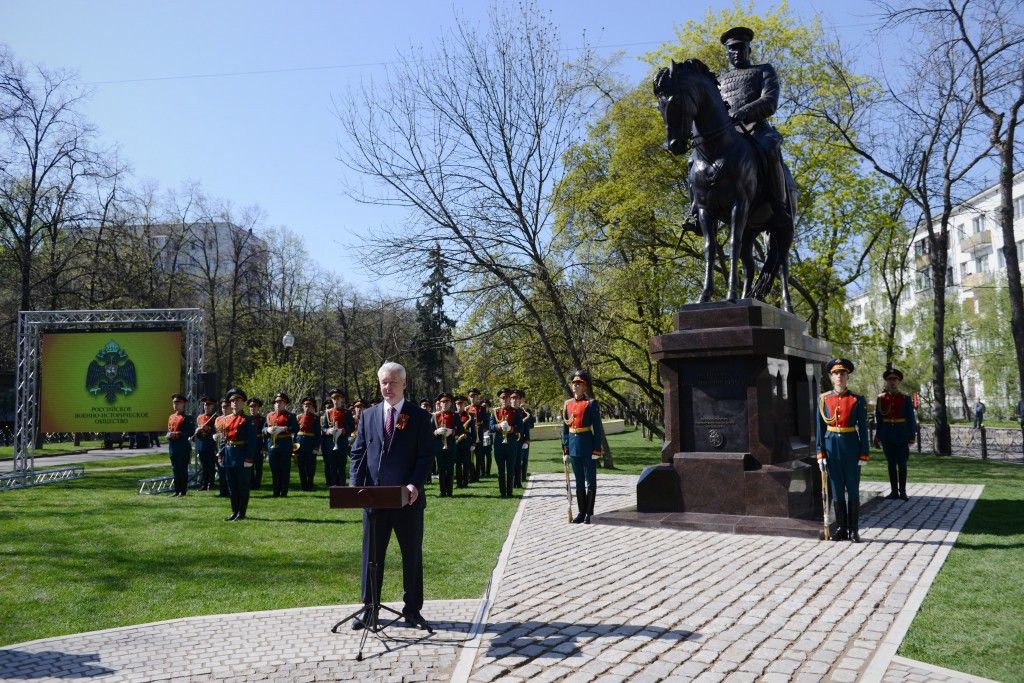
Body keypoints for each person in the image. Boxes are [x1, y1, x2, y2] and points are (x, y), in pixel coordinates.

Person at [349, 361, 433, 630]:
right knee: (371, 557)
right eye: (383, 382)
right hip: (374, 501)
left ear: (404, 384)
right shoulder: (369, 415)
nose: (387, 387)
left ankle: (412, 610)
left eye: (393, 382)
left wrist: (414, 485)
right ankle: (370, 609)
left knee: (411, 556)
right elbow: (358, 453)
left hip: (407, 501)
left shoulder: (418, 417)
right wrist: (355, 486)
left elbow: (425, 457)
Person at [718, 26, 789, 218]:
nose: (737, 52)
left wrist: (744, 111)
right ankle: (695, 212)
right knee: (696, 160)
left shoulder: (763, 70)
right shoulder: (719, 81)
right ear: (727, 53)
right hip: (727, 134)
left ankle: (779, 205)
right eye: (732, 48)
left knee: (770, 147)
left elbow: (770, 101)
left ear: (749, 49)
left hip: (755, 128)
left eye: (741, 47)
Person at [816, 358, 870, 543]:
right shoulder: (824, 399)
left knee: (853, 490)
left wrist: (864, 453)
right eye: (836, 373)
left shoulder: (856, 399)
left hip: (851, 450)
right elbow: (820, 429)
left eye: (843, 373)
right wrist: (820, 453)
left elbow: (863, 429)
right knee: (837, 490)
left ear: (847, 377)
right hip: (831, 451)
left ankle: (854, 530)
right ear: (831, 377)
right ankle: (841, 528)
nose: (839, 377)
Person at [562, 370, 604, 524]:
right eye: (574, 383)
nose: (575, 385)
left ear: (585, 386)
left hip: (587, 445)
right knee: (578, 481)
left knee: (590, 481)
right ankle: (581, 512)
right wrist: (565, 449)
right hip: (573, 448)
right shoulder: (568, 404)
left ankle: (589, 513)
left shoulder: (591, 403)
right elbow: (565, 429)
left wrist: (597, 449)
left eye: (578, 383)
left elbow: (597, 429)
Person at [874, 368, 917, 501]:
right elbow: (879, 419)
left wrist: (912, 435)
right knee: (891, 464)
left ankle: (902, 492)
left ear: (899, 382)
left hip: (901, 434)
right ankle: (894, 492)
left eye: (895, 380)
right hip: (887, 434)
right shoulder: (881, 399)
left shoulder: (905, 398)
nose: (892, 382)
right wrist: (878, 435)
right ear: (887, 382)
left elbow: (911, 418)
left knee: (902, 464)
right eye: (890, 380)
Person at [218, 387, 256, 521]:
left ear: (243, 402)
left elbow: (252, 441)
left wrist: (249, 457)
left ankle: (241, 512)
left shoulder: (248, 419)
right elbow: (224, 439)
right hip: (229, 453)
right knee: (232, 485)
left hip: (241, 454)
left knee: (242, 485)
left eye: (238, 400)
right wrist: (220, 454)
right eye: (232, 400)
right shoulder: (226, 419)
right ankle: (234, 511)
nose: (235, 403)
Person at [264, 392, 299, 497]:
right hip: (272, 444)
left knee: (284, 469)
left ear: (285, 404)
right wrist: (267, 430)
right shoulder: (270, 415)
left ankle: (284, 492)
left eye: (281, 402)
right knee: (274, 469)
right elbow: (263, 429)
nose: (278, 404)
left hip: (285, 444)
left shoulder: (290, 416)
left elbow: (296, 428)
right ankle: (275, 491)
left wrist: (284, 428)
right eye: (276, 402)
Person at [432, 392, 462, 497]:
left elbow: (461, 430)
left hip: (451, 446)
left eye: (447, 401)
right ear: (439, 404)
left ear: (450, 403)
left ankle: (449, 491)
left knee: (450, 469)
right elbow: (428, 432)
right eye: (442, 402)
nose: (445, 404)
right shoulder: (435, 416)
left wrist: (452, 431)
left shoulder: (455, 415)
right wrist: (436, 432)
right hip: (439, 446)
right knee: (440, 469)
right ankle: (442, 491)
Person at [325, 388, 356, 487]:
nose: (336, 400)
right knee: (331, 466)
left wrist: (344, 430)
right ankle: (333, 486)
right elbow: (323, 427)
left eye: (338, 398)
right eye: (334, 398)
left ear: (342, 399)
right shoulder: (328, 412)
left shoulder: (347, 412)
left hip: (342, 442)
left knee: (341, 466)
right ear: (331, 399)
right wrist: (327, 430)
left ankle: (342, 485)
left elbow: (351, 426)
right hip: (330, 442)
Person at [166, 393, 195, 497]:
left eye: (178, 403)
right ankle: (176, 490)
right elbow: (169, 429)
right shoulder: (171, 417)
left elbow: (191, 432)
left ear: (183, 404)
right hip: (173, 447)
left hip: (183, 447)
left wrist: (178, 434)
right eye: (174, 403)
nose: (175, 405)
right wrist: (168, 434)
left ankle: (183, 491)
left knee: (183, 469)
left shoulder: (188, 417)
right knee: (175, 469)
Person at [295, 397, 322, 491]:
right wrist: (294, 446)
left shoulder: (315, 418)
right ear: (303, 406)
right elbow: (295, 432)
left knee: (310, 466)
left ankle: (310, 484)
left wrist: (316, 447)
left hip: (311, 444)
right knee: (301, 465)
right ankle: (303, 485)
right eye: (305, 405)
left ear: (312, 407)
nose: (307, 407)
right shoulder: (298, 417)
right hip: (299, 444)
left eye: (309, 405)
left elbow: (318, 434)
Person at [193, 396, 218, 491]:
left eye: (209, 405)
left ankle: (211, 483)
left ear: (212, 406)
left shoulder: (216, 417)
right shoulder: (200, 417)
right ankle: (204, 484)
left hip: (211, 444)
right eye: (205, 405)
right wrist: (197, 430)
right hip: (201, 444)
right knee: (203, 465)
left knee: (211, 465)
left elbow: (217, 431)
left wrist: (210, 429)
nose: (206, 407)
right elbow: (197, 430)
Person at [511, 388, 535, 488]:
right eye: (514, 398)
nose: (516, 400)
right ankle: (511, 482)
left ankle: (519, 480)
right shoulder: (509, 410)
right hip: (510, 439)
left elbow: (527, 427)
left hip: (521, 439)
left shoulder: (524, 411)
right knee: (511, 462)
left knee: (520, 461)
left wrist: (526, 440)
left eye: (518, 398)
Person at [454, 394, 476, 489]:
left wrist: (473, 442)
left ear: (464, 405)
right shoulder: (453, 415)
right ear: (455, 405)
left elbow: (473, 430)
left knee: (466, 463)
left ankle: (466, 482)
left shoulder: (469, 416)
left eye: (462, 404)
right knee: (457, 463)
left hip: (466, 441)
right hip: (455, 441)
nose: (460, 406)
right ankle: (459, 482)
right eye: (458, 404)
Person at [247, 396, 266, 490]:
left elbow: (265, 436)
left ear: (258, 408)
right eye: (251, 407)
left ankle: (257, 484)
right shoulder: (246, 419)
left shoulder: (263, 420)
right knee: (249, 465)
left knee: (258, 466)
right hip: (249, 445)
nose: (252, 408)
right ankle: (250, 484)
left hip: (259, 444)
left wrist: (264, 447)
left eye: (255, 406)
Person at [215, 398, 232, 497]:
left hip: (229, 446)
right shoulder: (218, 419)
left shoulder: (232, 418)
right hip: (219, 446)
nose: (224, 409)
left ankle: (230, 490)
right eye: (223, 407)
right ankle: (222, 490)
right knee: (221, 469)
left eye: (226, 407)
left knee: (229, 471)